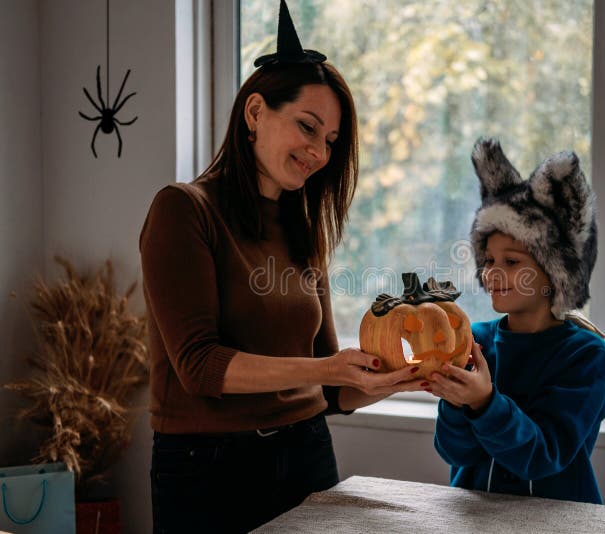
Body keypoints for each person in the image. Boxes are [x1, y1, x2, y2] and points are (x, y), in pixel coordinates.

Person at [139, 2, 423, 532]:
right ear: (254, 113)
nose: (319, 152)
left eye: (331, 142)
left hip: (308, 450)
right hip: (207, 471)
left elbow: (333, 388)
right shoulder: (183, 211)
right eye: (308, 127)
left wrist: (395, 381)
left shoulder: (303, 230)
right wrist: (326, 371)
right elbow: (199, 368)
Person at [428, 138, 605, 504]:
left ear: (555, 275)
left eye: (512, 262)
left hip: (558, 524)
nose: (493, 273)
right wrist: (455, 400)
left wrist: (483, 403)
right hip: (475, 522)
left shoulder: (587, 357)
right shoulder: (472, 340)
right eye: (490, 260)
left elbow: (542, 457)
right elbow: (455, 453)